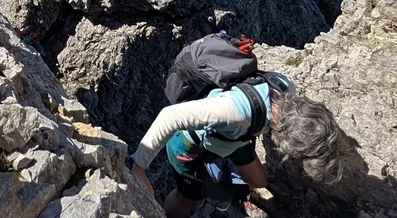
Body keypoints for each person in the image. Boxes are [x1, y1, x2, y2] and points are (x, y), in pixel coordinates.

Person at [129, 74, 343, 218]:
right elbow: (170, 116)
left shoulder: (285, 87)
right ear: (282, 135)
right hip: (187, 142)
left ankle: (219, 172)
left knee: (259, 181)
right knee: (188, 197)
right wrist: (139, 168)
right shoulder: (234, 113)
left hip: (233, 137)